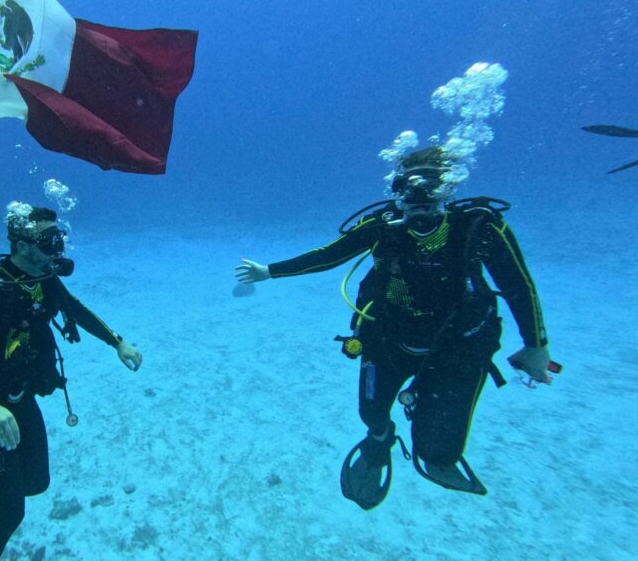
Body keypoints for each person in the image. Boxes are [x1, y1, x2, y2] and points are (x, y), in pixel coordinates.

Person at [234, 147, 554, 510]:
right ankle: (379, 440)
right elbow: (329, 255)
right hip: (388, 339)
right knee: (371, 415)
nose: (419, 196)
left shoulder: (478, 227)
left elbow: (518, 285)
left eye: (430, 185)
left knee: (439, 452)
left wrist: (536, 345)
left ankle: (433, 446)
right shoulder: (381, 226)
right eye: (408, 186)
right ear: (396, 189)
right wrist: (269, 271)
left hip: (458, 347)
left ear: (448, 188)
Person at [0, 204, 141, 560]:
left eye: (58, 238)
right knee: (9, 513)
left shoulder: (44, 280)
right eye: (48, 240)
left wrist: (117, 341)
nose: (57, 248)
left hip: (20, 397)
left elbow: (75, 309)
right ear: (22, 245)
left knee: (36, 481)